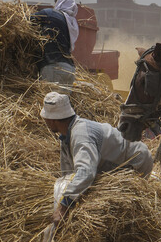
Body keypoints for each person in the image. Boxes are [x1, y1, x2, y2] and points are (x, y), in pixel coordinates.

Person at [40, 92, 153, 223]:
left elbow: (86, 172)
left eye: (45, 117)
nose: (45, 121)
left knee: (121, 210)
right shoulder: (67, 135)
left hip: (135, 161)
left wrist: (63, 207)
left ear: (52, 119)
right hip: (115, 162)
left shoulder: (81, 135)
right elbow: (70, 173)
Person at [31, 0, 80, 88]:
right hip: (69, 69)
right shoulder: (72, 24)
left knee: (50, 100)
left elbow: (27, 20)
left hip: (53, 67)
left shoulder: (50, 14)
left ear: (59, 4)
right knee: (62, 101)